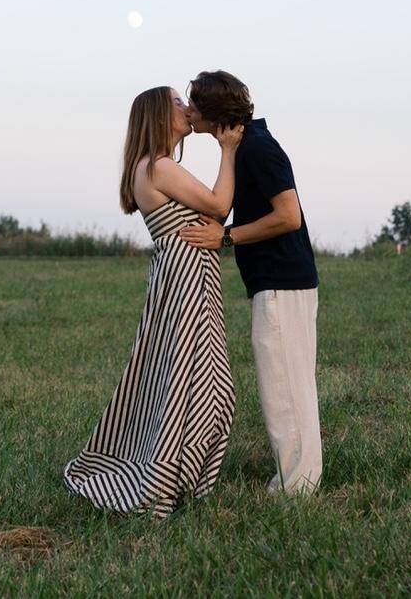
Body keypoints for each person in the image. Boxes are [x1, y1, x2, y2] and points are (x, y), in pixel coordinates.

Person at [63, 86, 242, 519]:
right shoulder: (159, 166)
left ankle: (178, 471)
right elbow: (219, 205)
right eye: (178, 103)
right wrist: (228, 150)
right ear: (160, 115)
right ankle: (171, 475)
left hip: (183, 275)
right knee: (205, 383)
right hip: (185, 279)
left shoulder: (150, 166)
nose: (187, 108)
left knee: (186, 378)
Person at [178, 70, 321, 495]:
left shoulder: (258, 148)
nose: (189, 112)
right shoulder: (245, 147)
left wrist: (226, 237)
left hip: (281, 281)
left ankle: (297, 489)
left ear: (214, 111)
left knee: (284, 388)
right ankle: (300, 479)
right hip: (278, 280)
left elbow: (288, 216)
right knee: (288, 383)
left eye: (194, 105)